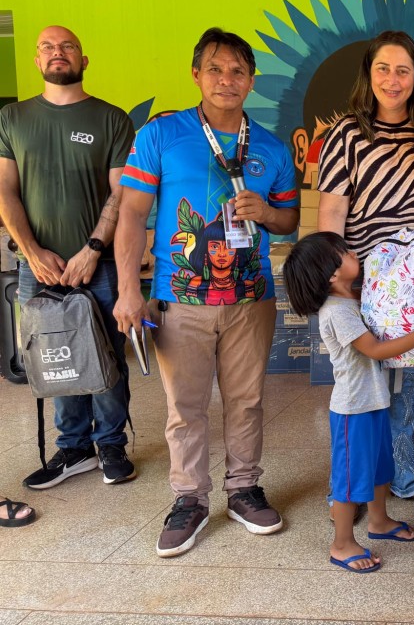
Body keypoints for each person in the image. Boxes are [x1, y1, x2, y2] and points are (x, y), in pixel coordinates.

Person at [114, 28, 300, 558]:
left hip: (251, 298)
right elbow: (131, 215)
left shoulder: (270, 147)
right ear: (196, 74)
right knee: (185, 406)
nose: (226, 79)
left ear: (251, 81)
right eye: (215, 69)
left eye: (238, 71)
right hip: (180, 298)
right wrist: (128, 290)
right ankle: (189, 499)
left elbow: (288, 219)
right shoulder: (161, 135)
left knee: (247, 401)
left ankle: (243, 489)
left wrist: (267, 214)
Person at [0, 25, 135, 489]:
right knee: (54, 355)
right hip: (35, 266)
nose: (57, 52)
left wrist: (92, 250)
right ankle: (73, 448)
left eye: (67, 46)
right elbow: (5, 190)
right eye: (47, 47)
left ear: (83, 59)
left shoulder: (111, 119)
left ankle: (111, 444)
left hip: (99, 263)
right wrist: (32, 252)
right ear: (37, 61)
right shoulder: (12, 118)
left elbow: (121, 192)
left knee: (106, 355)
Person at [316, 30, 414, 499]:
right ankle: (361, 479)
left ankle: (408, 474)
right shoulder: (346, 133)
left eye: (403, 70)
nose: (393, 80)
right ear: (368, 75)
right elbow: (332, 210)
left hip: (413, 283)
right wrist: (336, 280)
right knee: (364, 381)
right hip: (361, 276)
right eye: (383, 69)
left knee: (409, 381)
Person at [281, 232, 414, 572]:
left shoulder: (352, 301)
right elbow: (375, 349)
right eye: (344, 252)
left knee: (380, 467)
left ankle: (379, 521)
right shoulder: (337, 311)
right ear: (331, 274)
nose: (354, 252)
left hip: (373, 402)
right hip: (352, 410)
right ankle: (342, 544)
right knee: (350, 479)